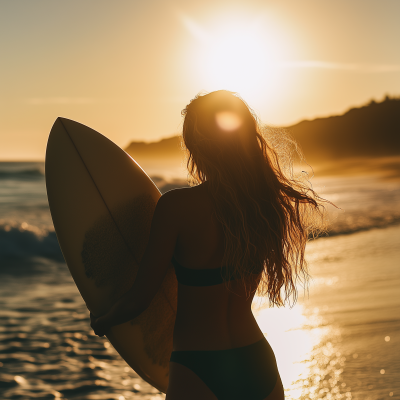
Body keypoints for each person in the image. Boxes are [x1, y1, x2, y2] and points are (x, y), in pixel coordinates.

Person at [90, 90, 325, 399]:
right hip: (255, 361)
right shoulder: (263, 206)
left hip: (197, 364)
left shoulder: (176, 207)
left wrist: (105, 319)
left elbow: (140, 297)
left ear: (197, 147)